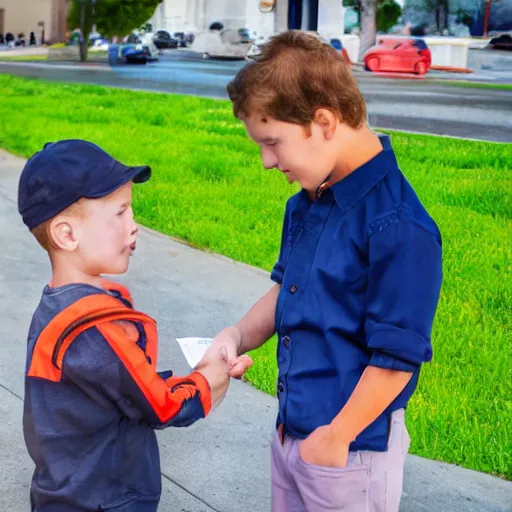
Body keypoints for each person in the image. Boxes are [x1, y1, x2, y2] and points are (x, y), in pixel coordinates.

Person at [203, 30, 443, 512]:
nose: (267, 162)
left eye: (273, 143)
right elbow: (287, 289)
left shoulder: (400, 227)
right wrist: (236, 334)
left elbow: (397, 358)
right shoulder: (308, 202)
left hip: (350, 451)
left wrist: (334, 438)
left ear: (325, 122)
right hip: (294, 433)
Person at [18, 139, 239, 512]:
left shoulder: (58, 305)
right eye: (120, 214)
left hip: (66, 492)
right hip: (105, 500)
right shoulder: (93, 327)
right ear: (67, 234)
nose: (134, 227)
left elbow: (116, 389)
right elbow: (162, 405)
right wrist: (208, 380)